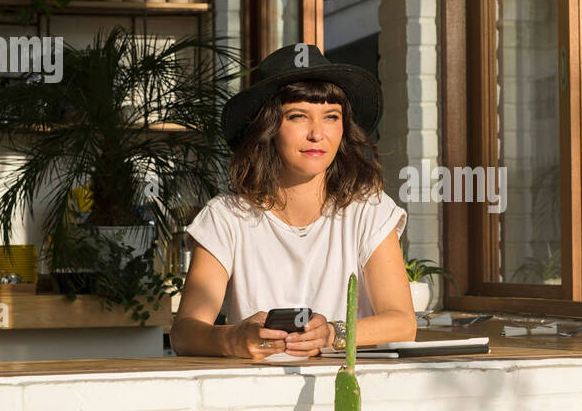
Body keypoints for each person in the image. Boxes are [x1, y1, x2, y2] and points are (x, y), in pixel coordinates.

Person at [170, 44, 416, 360]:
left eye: (331, 117)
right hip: (253, 396)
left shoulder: (369, 209)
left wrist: (332, 334)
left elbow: (403, 323)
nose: (317, 134)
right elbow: (184, 333)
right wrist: (232, 339)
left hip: (347, 394)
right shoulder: (225, 216)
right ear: (268, 126)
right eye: (298, 116)